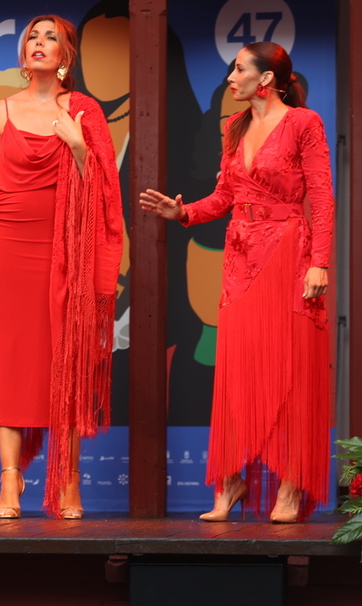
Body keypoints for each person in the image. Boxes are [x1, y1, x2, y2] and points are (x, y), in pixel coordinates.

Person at [140, 41, 333, 523]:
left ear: (266, 79)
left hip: (288, 252)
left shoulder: (303, 124)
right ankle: (231, 480)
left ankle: (291, 484)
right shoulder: (234, 126)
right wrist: (182, 212)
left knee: (289, 368)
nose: (231, 75)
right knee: (237, 370)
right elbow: (226, 196)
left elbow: (324, 198)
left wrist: (320, 263)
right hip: (240, 258)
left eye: (240, 68)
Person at [0, 15, 123, 519]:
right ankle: (10, 481)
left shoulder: (84, 111)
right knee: (8, 363)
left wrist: (77, 144)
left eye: (50, 38)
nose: (39, 44)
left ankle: (67, 479)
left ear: (66, 56)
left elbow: (102, 189)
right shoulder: (0, 109)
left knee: (65, 363)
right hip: (4, 248)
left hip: (63, 252)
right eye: (33, 36)